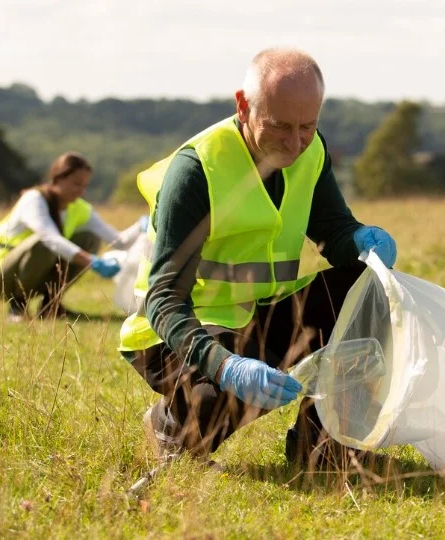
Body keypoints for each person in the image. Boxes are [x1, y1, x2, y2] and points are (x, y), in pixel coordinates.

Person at [118, 47, 398, 470]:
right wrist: (225, 366)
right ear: (243, 106)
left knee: (369, 286)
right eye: (280, 126)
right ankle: (170, 425)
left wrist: (360, 239)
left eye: (308, 126)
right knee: (213, 406)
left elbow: (334, 233)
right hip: (179, 335)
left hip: (257, 319)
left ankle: (323, 446)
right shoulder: (196, 172)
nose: (295, 142)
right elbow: (163, 302)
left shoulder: (309, 152)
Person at [0, 152, 147, 321]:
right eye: (76, 184)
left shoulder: (79, 208)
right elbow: (49, 238)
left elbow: (118, 241)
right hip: (2, 278)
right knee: (44, 242)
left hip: (36, 276)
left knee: (89, 238)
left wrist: (140, 227)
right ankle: (18, 306)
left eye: (84, 186)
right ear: (58, 178)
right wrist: (91, 260)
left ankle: (50, 307)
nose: (81, 191)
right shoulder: (33, 199)